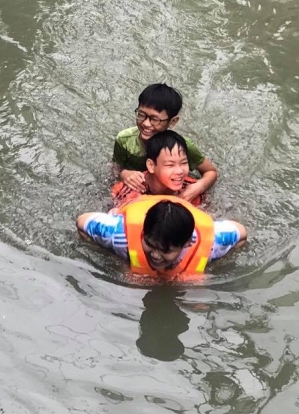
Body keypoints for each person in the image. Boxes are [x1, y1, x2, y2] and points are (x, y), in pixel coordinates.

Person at [76, 195, 246, 278]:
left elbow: (241, 234)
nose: (155, 255)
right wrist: (119, 260)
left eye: (166, 250)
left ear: (187, 243)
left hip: (188, 212)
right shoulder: (120, 235)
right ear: (143, 233)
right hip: (138, 203)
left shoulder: (211, 244)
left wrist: (211, 268)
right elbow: (82, 223)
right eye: (149, 244)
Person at [113, 85, 217, 203]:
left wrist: (199, 187)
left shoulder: (180, 146)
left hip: (170, 182)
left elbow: (210, 171)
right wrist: (124, 174)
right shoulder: (124, 140)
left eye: (155, 119)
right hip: (142, 185)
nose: (146, 123)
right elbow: (116, 168)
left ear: (172, 121)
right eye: (142, 115)